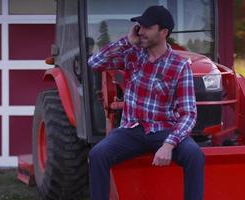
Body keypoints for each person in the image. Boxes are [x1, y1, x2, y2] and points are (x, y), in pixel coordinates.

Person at [87, 5, 204, 200]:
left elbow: (188, 113)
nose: (141, 31)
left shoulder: (179, 66)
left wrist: (169, 144)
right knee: (98, 154)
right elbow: (94, 63)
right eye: (139, 27)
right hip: (131, 130)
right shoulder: (132, 55)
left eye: (147, 28)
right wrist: (127, 41)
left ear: (164, 32)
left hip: (164, 129)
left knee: (195, 155)